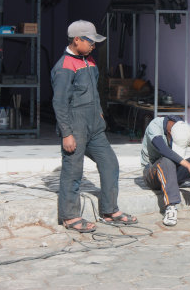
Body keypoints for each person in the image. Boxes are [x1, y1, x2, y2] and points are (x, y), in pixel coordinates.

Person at [51, 20, 137, 233]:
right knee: (73, 170)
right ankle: (70, 216)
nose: (93, 45)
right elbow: (59, 103)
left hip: (94, 126)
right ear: (77, 40)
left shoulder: (89, 61)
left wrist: (99, 112)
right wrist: (66, 133)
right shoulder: (64, 67)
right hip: (75, 126)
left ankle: (109, 211)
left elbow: (95, 91)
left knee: (110, 163)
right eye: (90, 41)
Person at [141, 116, 190, 226]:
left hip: (173, 173)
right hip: (152, 174)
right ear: (169, 132)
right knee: (166, 160)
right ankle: (171, 207)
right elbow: (164, 150)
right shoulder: (155, 126)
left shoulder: (185, 130)